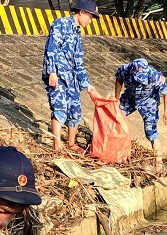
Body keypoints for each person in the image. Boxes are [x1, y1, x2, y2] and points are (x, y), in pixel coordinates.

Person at [43, 0, 99, 153]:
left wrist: (87, 85)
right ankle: (57, 146)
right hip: (58, 76)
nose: (90, 20)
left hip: (72, 78)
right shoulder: (61, 24)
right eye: (90, 16)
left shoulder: (77, 32)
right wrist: (52, 71)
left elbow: (79, 62)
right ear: (81, 12)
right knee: (59, 108)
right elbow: (51, 48)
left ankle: (71, 143)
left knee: (75, 110)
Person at [114, 58, 167, 167]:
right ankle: (116, 150)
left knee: (150, 132)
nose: (140, 81)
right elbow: (118, 79)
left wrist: (166, 113)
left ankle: (158, 164)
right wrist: (116, 98)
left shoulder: (155, 76)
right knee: (116, 118)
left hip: (148, 101)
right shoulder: (125, 69)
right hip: (130, 97)